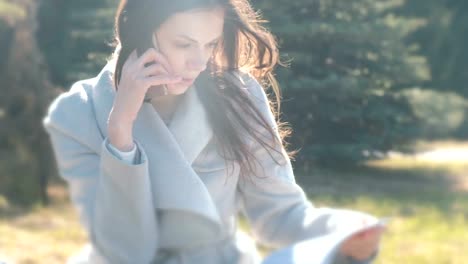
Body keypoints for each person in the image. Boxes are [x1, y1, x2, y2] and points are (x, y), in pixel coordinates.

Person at [42, 0, 384, 263]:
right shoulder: (76, 113)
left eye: (209, 45)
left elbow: (279, 214)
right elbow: (125, 249)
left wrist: (345, 234)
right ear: (140, 31)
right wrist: (120, 132)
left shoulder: (240, 94)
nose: (199, 62)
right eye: (183, 44)